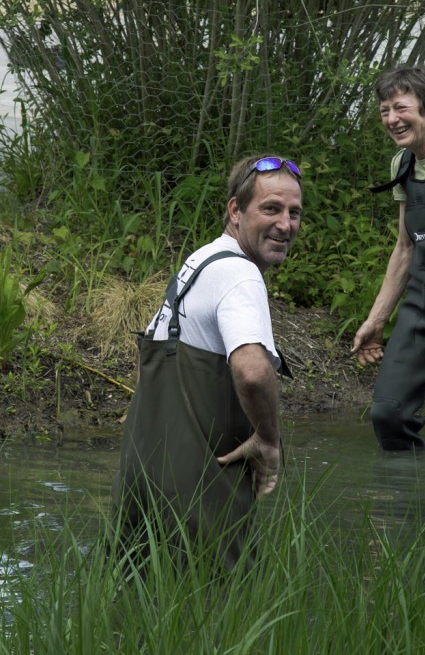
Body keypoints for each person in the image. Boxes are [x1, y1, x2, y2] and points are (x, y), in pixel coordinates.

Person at [111, 154, 303, 571]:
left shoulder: (199, 262)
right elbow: (252, 371)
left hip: (143, 479)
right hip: (199, 489)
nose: (285, 225)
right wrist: (268, 442)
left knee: (137, 605)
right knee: (219, 613)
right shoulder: (240, 276)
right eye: (270, 209)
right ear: (235, 209)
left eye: (294, 213)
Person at [351, 66, 425, 451]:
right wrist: (377, 319)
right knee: (388, 413)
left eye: (400, 107)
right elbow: (406, 247)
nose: (391, 119)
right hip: (422, 306)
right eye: (383, 110)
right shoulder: (403, 164)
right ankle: (401, 501)